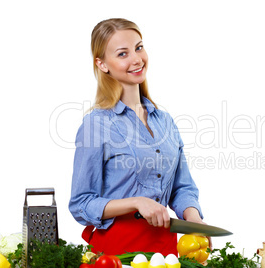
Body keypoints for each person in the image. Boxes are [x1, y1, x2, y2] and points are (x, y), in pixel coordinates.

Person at [69, 18, 204, 256]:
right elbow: (81, 203)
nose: (136, 59)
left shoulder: (164, 121)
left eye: (138, 48)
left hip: (166, 250)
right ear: (102, 64)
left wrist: (194, 221)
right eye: (122, 54)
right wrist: (135, 202)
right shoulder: (96, 125)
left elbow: (182, 187)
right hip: (116, 252)